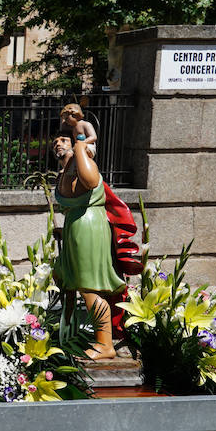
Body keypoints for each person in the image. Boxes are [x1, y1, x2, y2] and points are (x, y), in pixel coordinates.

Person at [53, 132, 126, 360]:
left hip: (88, 226)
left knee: (89, 287)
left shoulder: (86, 164)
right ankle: (84, 337)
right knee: (72, 282)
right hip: (77, 226)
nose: (58, 144)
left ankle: (105, 344)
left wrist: (81, 147)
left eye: (64, 140)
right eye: (55, 142)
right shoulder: (66, 172)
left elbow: (92, 182)